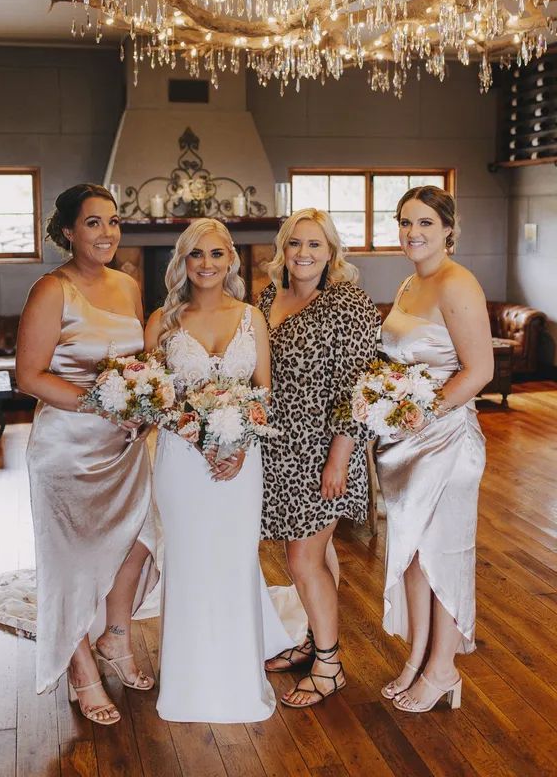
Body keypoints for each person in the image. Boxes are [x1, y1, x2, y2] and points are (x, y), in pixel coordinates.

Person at [144, 218, 302, 723]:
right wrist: (195, 433)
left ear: (232, 259)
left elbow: (264, 391)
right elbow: (151, 395)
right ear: (183, 262)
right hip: (180, 461)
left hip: (242, 459)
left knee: (234, 559)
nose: (206, 264)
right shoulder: (163, 321)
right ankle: (188, 681)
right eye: (196, 255)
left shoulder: (251, 317)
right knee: (189, 560)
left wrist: (237, 443)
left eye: (216, 254)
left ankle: (237, 677)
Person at [16, 184, 158, 725]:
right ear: (69, 231)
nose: (106, 233)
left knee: (144, 536)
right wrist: (99, 405)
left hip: (123, 445)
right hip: (67, 449)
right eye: (93, 223)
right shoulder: (51, 290)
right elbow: (29, 375)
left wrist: (145, 403)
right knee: (69, 560)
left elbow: (138, 366)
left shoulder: (126, 285)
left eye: (114, 222)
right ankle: (80, 667)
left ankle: (115, 636)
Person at [376, 185, 493, 714]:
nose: (412, 233)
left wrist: (424, 411)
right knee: (414, 557)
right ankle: (418, 656)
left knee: (442, 554)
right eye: (404, 223)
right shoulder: (408, 283)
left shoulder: (457, 283)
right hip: (405, 444)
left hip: (445, 440)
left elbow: (480, 371)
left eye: (424, 222)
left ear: (448, 227)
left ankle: (444, 669)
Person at [258, 208, 379, 708]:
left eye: (314, 245)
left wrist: (339, 459)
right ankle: (312, 640)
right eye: (295, 244)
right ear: (282, 250)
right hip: (277, 448)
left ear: (331, 252)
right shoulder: (268, 297)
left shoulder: (347, 303)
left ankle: (330, 666)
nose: (303, 254)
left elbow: (359, 391)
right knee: (312, 557)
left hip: (325, 449)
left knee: (303, 558)